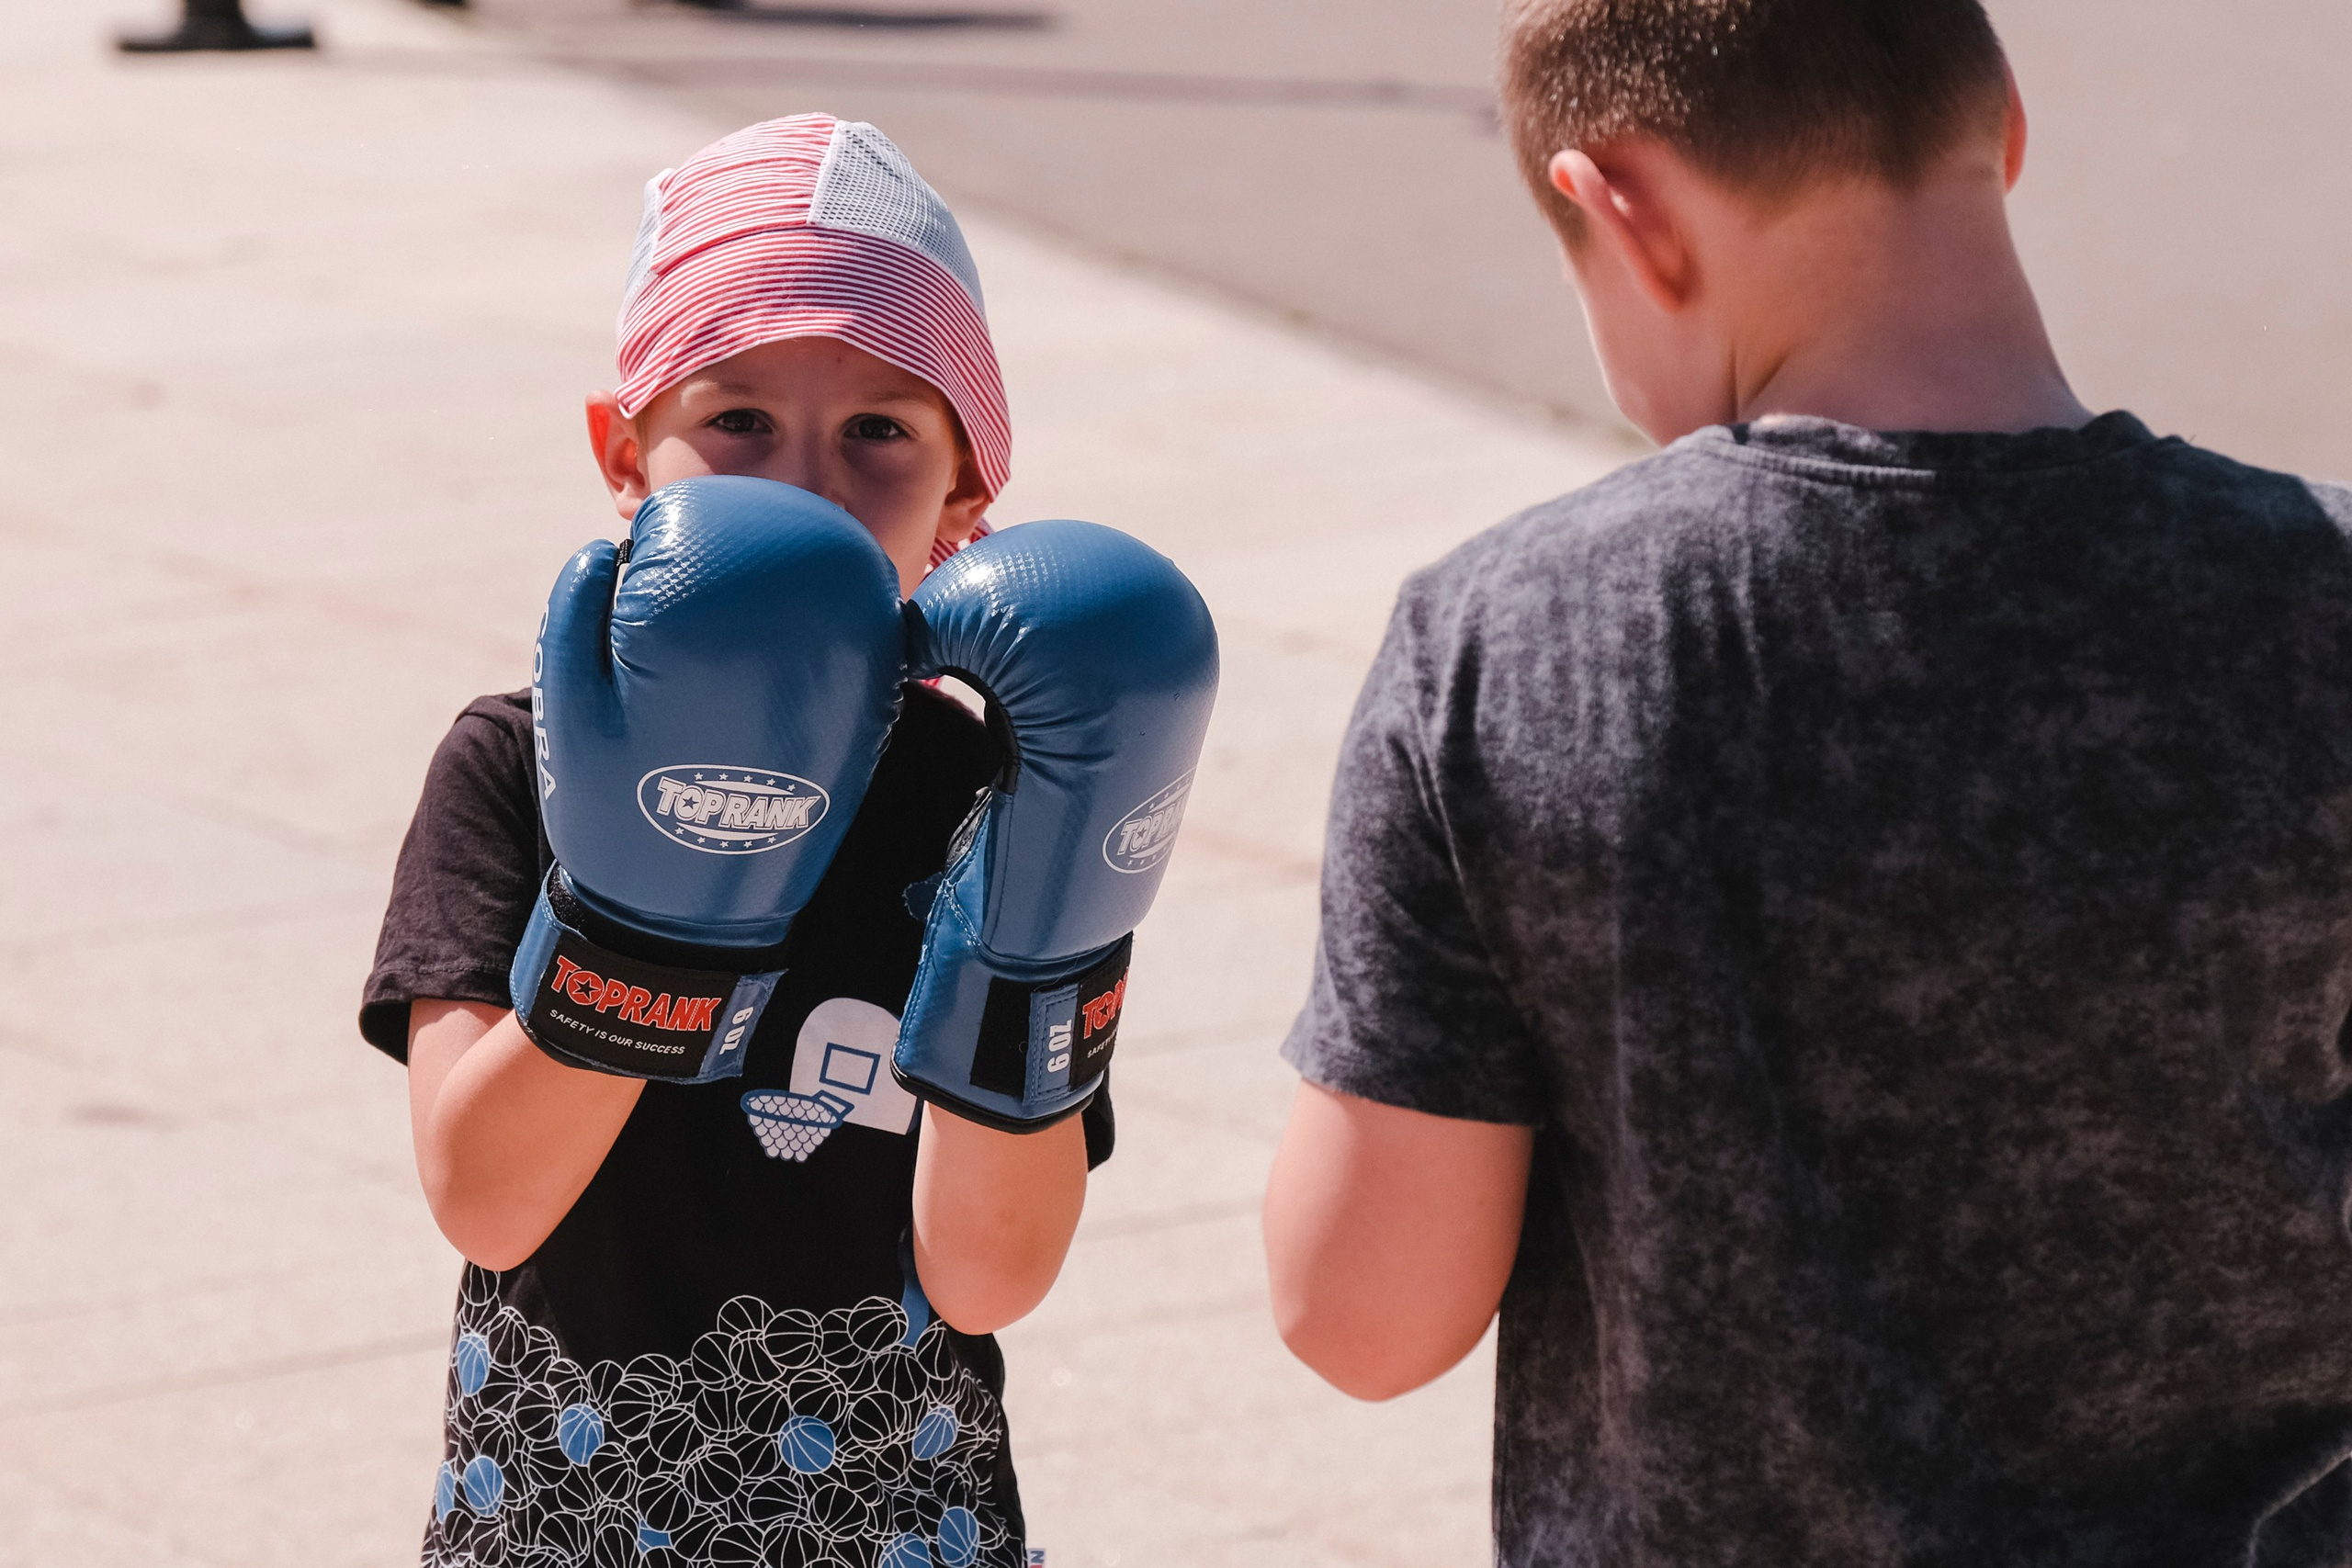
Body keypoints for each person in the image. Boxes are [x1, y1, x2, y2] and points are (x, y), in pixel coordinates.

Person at [1261, 2, 2352, 1562]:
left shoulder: (1510, 645)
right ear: (2009, 132)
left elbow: (1360, 1318)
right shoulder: (2324, 599)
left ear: (1617, 212)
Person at [360, 115, 1097, 1568]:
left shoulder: (991, 790)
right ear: (623, 456)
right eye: (739, 419)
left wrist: (1049, 935)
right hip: (565, 1519)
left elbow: (993, 1272)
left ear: (968, 501)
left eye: (880, 430)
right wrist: (649, 920)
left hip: (900, 1523)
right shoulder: (518, 764)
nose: (805, 483)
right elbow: (488, 1201)